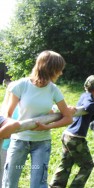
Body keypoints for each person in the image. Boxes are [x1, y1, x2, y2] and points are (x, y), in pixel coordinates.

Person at [2, 50, 75, 188]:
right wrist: (12, 128)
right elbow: (8, 115)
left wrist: (48, 127)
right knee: (10, 182)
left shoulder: (53, 89)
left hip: (41, 143)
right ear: (49, 69)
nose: (60, 73)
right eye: (59, 70)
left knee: (38, 183)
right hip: (19, 141)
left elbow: (68, 118)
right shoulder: (21, 85)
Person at [50, 75, 94, 188]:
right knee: (88, 165)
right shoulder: (88, 97)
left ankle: (56, 186)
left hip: (67, 135)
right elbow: (89, 106)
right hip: (76, 138)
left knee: (66, 163)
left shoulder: (84, 95)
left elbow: (88, 113)